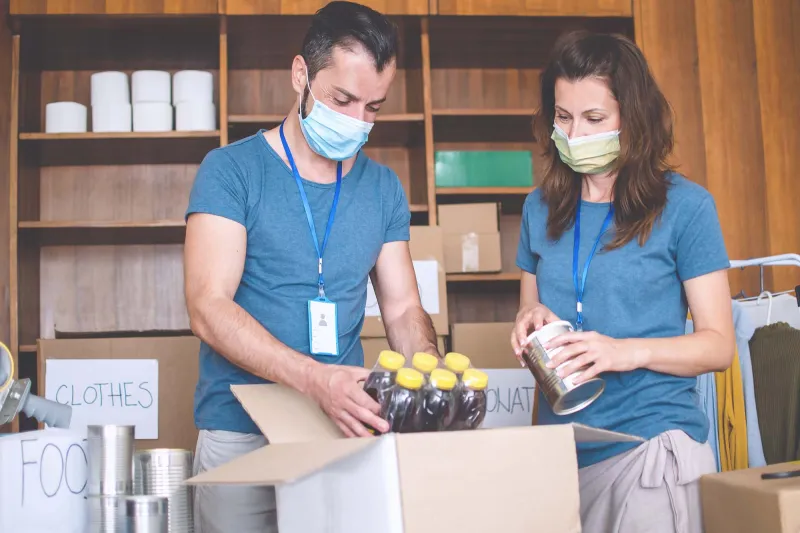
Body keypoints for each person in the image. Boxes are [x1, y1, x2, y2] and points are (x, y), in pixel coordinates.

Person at [183, 2, 440, 531]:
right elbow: (207, 307)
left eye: (373, 108)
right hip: (240, 432)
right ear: (301, 75)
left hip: (341, 429)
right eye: (341, 99)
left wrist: (430, 377)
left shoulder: (383, 188)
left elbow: (404, 307)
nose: (356, 121)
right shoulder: (231, 171)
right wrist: (313, 379)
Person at [511, 31, 735, 533]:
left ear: (631, 119)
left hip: (649, 451)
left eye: (594, 119)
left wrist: (623, 352)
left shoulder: (686, 208)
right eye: (563, 118)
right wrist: (530, 323)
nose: (575, 133)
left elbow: (719, 347)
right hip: (563, 460)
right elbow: (532, 321)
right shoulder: (538, 208)